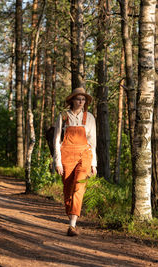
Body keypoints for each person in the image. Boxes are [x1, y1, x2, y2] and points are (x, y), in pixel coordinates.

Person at [53, 87, 97, 236]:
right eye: (78, 99)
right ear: (72, 100)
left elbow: (92, 142)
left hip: (84, 155)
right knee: (68, 190)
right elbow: (56, 140)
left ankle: (72, 225)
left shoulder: (89, 117)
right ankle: (71, 214)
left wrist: (93, 163)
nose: (81, 102)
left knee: (79, 187)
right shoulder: (63, 116)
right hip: (66, 155)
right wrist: (57, 161)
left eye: (83, 99)